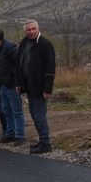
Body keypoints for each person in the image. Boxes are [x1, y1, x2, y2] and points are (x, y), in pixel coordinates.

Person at [16, 20, 56, 154]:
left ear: (38, 29)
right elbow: (19, 64)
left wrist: (47, 88)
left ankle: (45, 144)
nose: (31, 31)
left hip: (40, 87)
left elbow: (50, 68)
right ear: (25, 31)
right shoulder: (24, 43)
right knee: (34, 115)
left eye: (33, 29)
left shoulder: (45, 44)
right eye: (29, 30)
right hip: (28, 85)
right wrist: (19, 83)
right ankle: (42, 141)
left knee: (39, 116)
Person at [0, 27, 25, 146]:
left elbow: (19, 65)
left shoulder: (10, 48)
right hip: (3, 85)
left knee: (17, 111)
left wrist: (17, 82)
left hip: (12, 85)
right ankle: (10, 133)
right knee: (6, 110)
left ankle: (20, 136)